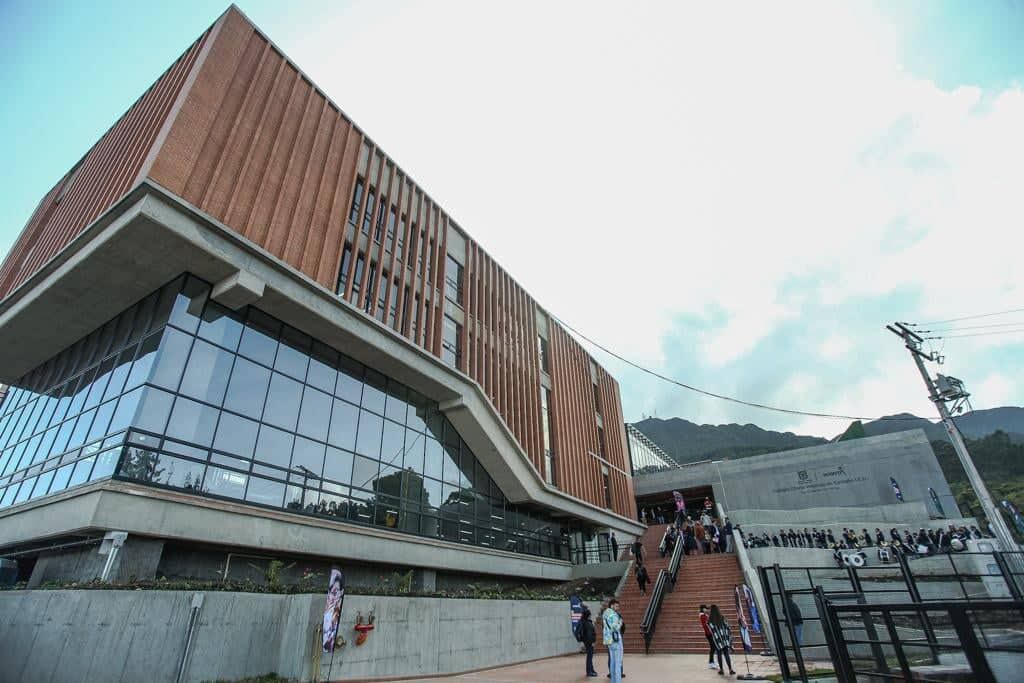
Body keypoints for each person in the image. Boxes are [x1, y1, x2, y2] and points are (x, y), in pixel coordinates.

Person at [708, 604, 737, 676]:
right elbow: (727, 626)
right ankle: (730, 669)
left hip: (717, 639)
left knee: (719, 654)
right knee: (726, 653)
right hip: (724, 638)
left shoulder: (710, 620)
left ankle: (721, 670)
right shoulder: (722, 617)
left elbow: (711, 629)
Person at [603, 599, 624, 683]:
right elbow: (615, 627)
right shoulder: (613, 615)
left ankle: (613, 681)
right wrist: (620, 622)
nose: (618, 608)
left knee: (612, 662)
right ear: (611, 605)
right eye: (616, 606)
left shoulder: (605, 613)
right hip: (615, 640)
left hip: (608, 640)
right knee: (618, 663)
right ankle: (618, 681)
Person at [580, 606, 598, 677]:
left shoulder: (584, 622)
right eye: (590, 615)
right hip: (589, 642)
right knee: (589, 657)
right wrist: (592, 642)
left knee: (590, 656)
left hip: (586, 641)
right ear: (588, 616)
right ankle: (589, 672)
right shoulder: (588, 624)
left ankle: (591, 670)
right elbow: (589, 635)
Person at [699, 604, 717, 670]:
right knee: (713, 647)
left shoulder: (705, 615)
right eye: (705, 608)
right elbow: (706, 625)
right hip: (709, 633)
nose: (706, 610)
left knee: (713, 648)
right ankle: (711, 663)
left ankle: (712, 662)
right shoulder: (702, 615)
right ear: (703, 609)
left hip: (710, 633)